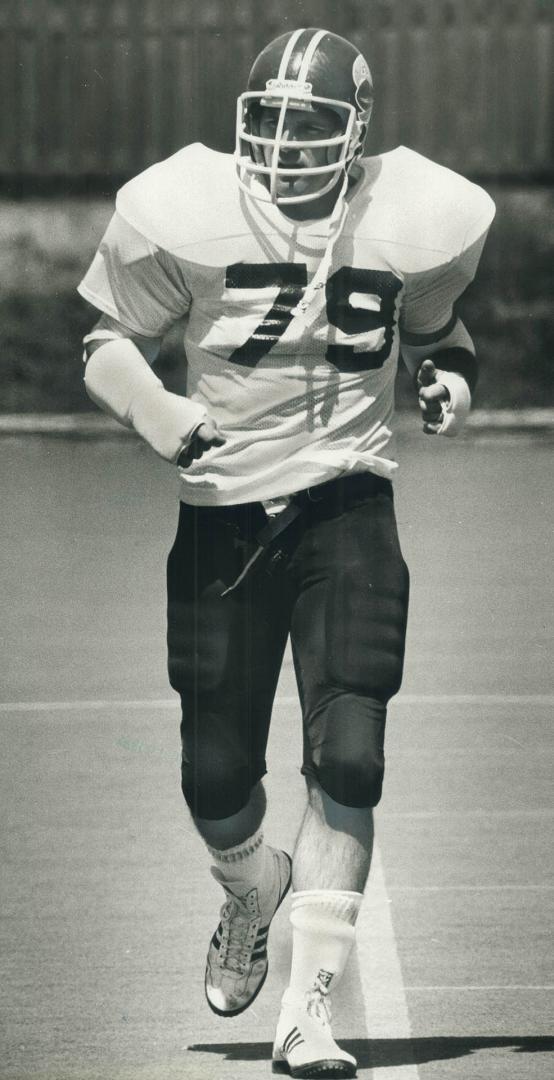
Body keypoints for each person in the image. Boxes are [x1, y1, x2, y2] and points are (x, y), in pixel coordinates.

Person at [78, 27, 495, 1079]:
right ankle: (248, 889)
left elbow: (442, 333)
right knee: (214, 779)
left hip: (349, 502)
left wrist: (449, 380)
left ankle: (307, 1012)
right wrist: (155, 408)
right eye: (266, 120)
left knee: (349, 756)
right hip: (222, 510)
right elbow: (104, 343)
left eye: (308, 124)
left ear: (355, 135)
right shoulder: (181, 207)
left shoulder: (421, 217)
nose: (284, 143)